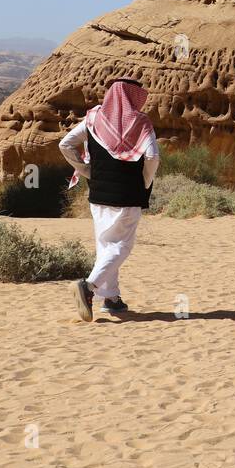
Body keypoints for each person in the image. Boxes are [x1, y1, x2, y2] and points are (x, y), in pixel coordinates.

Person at [60, 78, 161, 321]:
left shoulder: (93, 118)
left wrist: (86, 170)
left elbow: (65, 144)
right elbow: (152, 156)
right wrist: (145, 182)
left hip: (98, 195)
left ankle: (111, 299)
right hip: (127, 195)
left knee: (105, 246)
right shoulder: (140, 122)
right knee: (121, 246)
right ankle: (89, 286)